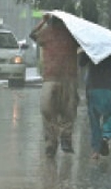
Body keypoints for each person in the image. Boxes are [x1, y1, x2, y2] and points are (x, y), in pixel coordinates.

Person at [29, 14, 80, 157]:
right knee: (65, 111)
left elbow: (32, 34)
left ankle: (59, 141)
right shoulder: (66, 34)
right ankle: (57, 142)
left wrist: (42, 22)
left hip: (62, 78)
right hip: (61, 78)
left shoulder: (68, 34)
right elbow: (32, 35)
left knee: (52, 111)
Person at [79, 50, 111, 159]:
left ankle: (95, 151)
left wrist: (85, 51)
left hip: (92, 88)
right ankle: (105, 137)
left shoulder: (90, 46)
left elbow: (81, 63)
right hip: (107, 87)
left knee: (94, 120)